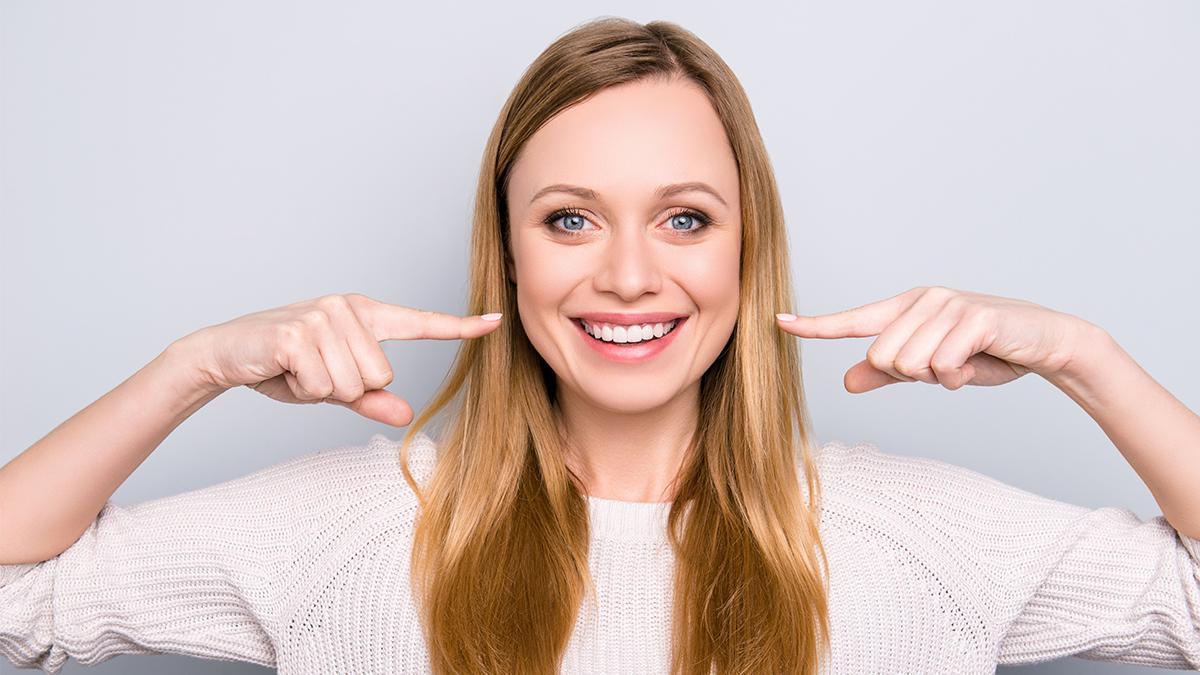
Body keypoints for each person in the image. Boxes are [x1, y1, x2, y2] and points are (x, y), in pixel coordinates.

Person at [2, 15, 1199, 675]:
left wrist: (1083, 355)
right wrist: (191, 370)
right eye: (570, 219)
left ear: (747, 250)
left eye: (686, 218)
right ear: (509, 256)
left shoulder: (920, 537)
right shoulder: (347, 529)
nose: (629, 273)